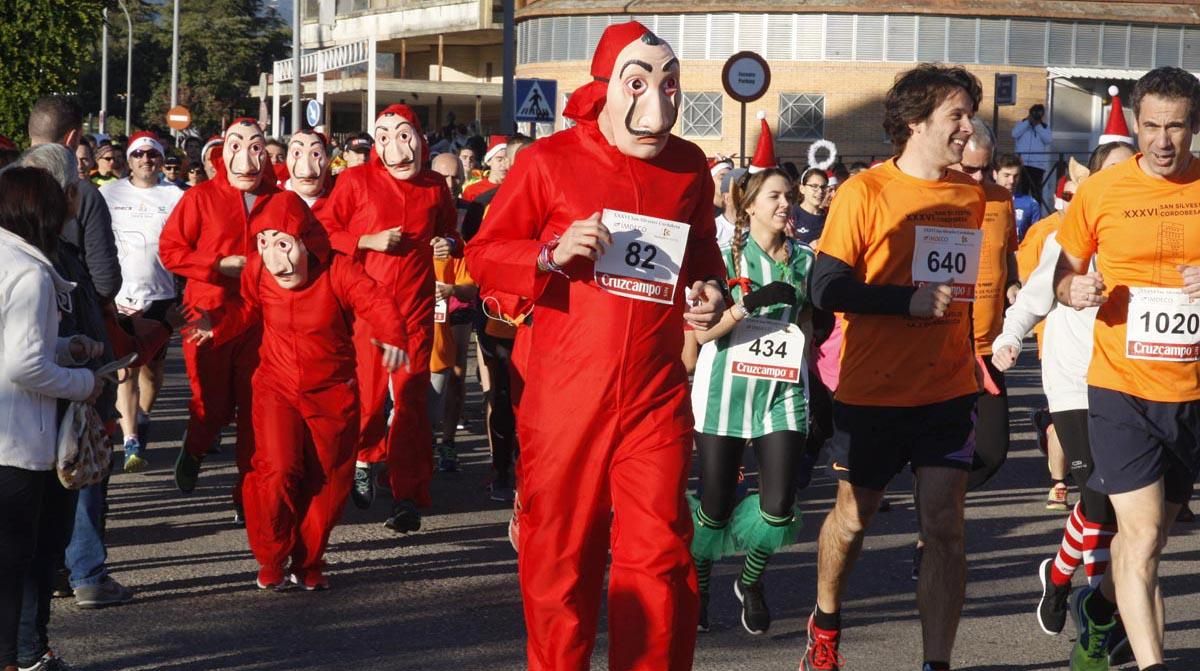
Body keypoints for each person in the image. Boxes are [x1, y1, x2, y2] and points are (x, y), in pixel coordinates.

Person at [466, 21, 727, 670]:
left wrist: (711, 294)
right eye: (640, 84)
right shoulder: (548, 161)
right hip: (564, 395)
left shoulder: (689, 166)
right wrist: (550, 253)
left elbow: (701, 256)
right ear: (606, 88)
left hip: (653, 393)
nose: (659, 105)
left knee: (661, 556)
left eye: (671, 85)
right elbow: (484, 255)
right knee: (560, 558)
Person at [803, 63, 986, 671]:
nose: (969, 127)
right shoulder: (866, 192)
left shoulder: (969, 194)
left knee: (946, 527)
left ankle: (938, 662)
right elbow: (824, 287)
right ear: (915, 122)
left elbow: (959, 290)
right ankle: (825, 623)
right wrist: (901, 300)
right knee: (854, 518)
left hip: (947, 388)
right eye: (956, 115)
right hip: (873, 390)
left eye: (969, 114)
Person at [183, 194, 409, 591]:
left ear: (308, 242)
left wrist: (393, 336)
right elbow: (248, 309)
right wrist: (217, 327)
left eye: (284, 244)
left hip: (332, 391)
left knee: (327, 481)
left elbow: (376, 300)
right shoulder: (257, 270)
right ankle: (271, 555)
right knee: (276, 470)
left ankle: (309, 561)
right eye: (264, 244)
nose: (274, 258)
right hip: (276, 385)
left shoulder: (338, 269)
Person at [1053, 66, 1200, 671]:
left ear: (1194, 126)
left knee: (1158, 538)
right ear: (1137, 122)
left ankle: (1097, 607)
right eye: (1152, 126)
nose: (1163, 142)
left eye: (1178, 127)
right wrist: (1075, 290)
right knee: (1139, 540)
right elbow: (1062, 274)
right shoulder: (1101, 193)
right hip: (1121, 387)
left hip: (1191, 389)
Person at [991, 141, 1134, 658]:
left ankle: (1058, 573)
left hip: (1132, 385)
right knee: (1097, 498)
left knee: (1126, 510)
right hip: (1074, 383)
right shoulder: (1069, 235)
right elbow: (1032, 298)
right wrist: (1008, 340)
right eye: (1112, 173)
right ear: (1092, 184)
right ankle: (1102, 616)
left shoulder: (1146, 238)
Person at [318, 104, 460, 533]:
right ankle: (365, 458)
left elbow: (454, 232)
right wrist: (366, 238)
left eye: (404, 135)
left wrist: (447, 243)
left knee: (413, 405)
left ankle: (409, 496)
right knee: (366, 401)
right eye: (384, 137)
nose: (395, 146)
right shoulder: (355, 181)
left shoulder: (436, 186)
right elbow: (322, 233)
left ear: (420, 138)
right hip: (367, 313)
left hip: (414, 313)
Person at [689, 168, 813, 635]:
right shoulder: (722, 259)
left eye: (790, 196)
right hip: (726, 391)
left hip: (782, 393)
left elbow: (807, 323)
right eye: (776, 196)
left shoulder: (804, 259)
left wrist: (815, 383)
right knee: (717, 504)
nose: (786, 204)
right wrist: (746, 304)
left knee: (780, 503)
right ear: (750, 206)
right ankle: (699, 585)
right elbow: (702, 334)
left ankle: (751, 580)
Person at [0, 165, 103, 671]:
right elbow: (23, 363)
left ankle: (22, 653)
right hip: (18, 439)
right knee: (21, 561)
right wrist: (85, 381)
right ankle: (19, 657)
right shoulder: (29, 270)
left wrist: (67, 347)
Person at [159, 119, 277, 519]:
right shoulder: (200, 198)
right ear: (222, 153)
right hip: (205, 314)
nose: (248, 156)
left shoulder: (278, 200)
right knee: (210, 406)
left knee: (255, 410)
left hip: (261, 317)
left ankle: (246, 492)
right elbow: (171, 251)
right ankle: (195, 447)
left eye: (256, 146)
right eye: (238, 146)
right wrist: (217, 265)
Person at [100, 131, 184, 473]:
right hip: (120, 296)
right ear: (129, 160)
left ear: (161, 160)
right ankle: (131, 437)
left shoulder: (175, 196)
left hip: (160, 294)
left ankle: (143, 415)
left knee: (153, 372)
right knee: (126, 369)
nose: (146, 160)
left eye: (152, 155)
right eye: (139, 155)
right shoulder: (109, 193)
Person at [1012, 103, 1053, 207]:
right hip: (1022, 164)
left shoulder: (1044, 127)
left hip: (1037, 165)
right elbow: (1014, 134)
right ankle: (1020, 213)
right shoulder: (1022, 124)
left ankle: (1036, 216)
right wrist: (1027, 122)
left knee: (1036, 193)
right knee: (1021, 192)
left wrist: (1037, 125)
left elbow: (1048, 140)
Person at [993, 153, 1041, 241]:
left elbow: (1035, 240)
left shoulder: (1030, 204)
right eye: (1006, 175)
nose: (1012, 181)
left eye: (1016, 176)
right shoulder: (985, 200)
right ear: (995, 174)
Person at [462, 136, 507, 202]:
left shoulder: (516, 188)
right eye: (499, 159)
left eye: (508, 160)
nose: (504, 164)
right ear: (488, 161)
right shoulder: (471, 191)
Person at [793, 167, 829, 244]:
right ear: (802, 189)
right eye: (814, 186)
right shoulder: (791, 215)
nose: (820, 191)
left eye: (823, 187)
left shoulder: (829, 216)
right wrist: (808, 249)